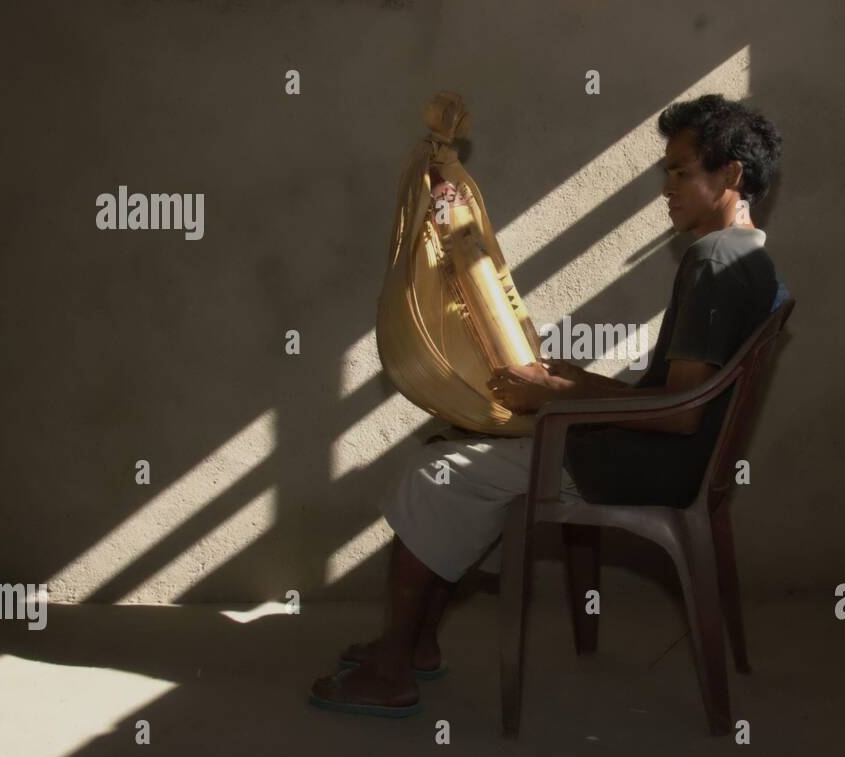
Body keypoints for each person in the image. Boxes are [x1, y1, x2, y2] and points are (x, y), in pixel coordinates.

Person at [309, 94, 786, 716]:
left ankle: (393, 670)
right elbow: (683, 392)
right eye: (665, 171)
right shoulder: (751, 257)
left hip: (644, 465)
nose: (666, 188)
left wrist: (555, 394)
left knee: (435, 474)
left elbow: (680, 413)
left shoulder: (714, 262)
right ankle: (419, 643)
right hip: (669, 457)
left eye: (680, 171)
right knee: (452, 449)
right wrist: (579, 382)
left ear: (731, 175)